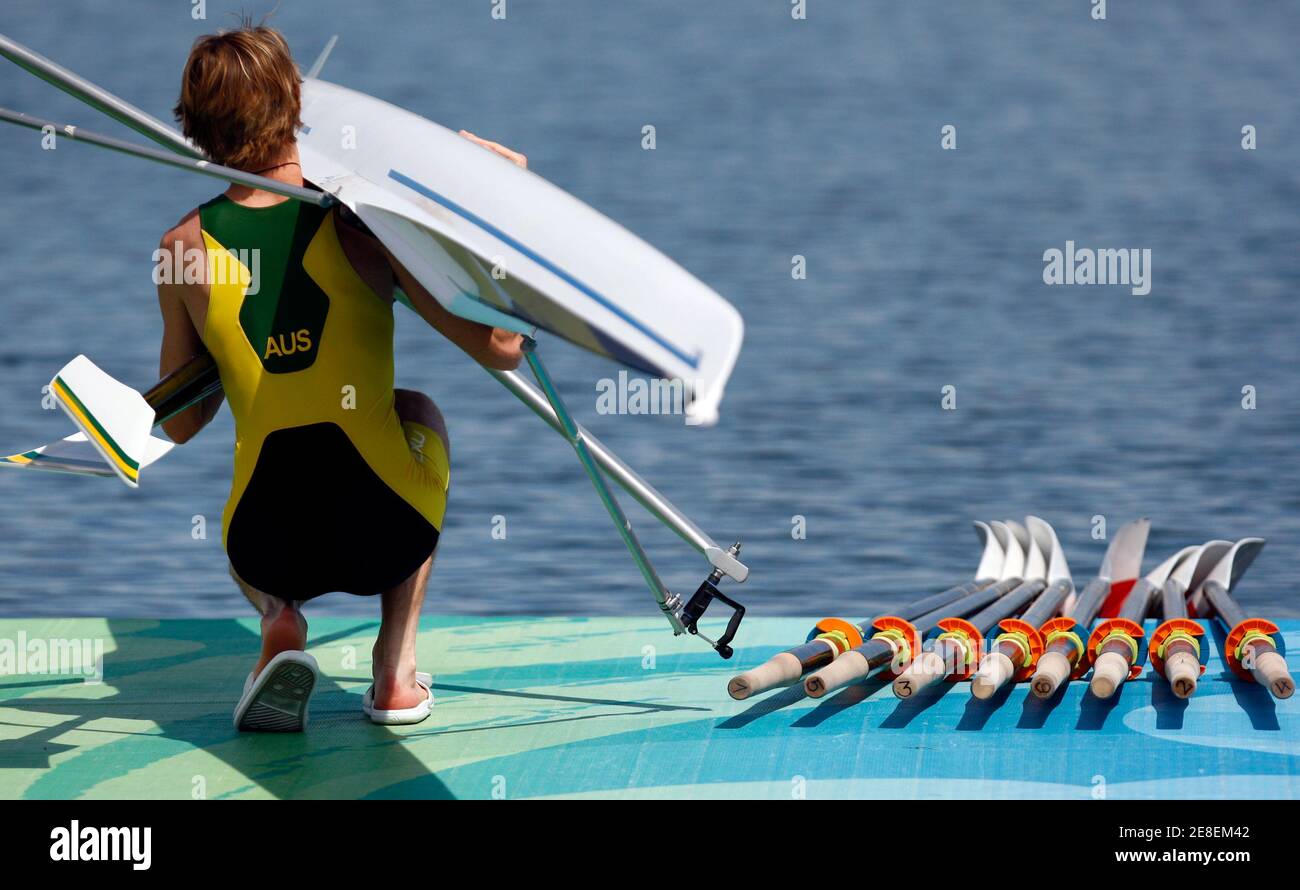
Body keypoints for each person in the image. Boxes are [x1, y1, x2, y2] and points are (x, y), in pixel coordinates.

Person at [157, 23, 524, 730]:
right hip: (382, 529)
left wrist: (245, 356)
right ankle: (394, 674)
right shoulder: (362, 227)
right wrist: (495, 203)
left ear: (196, 130)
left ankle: (279, 618)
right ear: (295, 104)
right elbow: (502, 347)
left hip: (266, 544)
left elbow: (178, 422)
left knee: (255, 459)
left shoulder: (180, 249)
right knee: (416, 409)